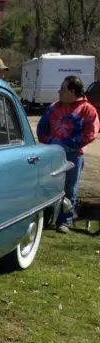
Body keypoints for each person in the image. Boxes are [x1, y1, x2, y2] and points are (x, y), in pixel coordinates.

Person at [37, 75, 100, 233]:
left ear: (73, 91)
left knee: (69, 188)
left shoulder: (87, 110)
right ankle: (46, 217)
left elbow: (91, 133)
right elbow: (41, 129)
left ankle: (64, 220)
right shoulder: (53, 108)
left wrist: (70, 144)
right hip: (52, 154)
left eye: (63, 89)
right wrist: (51, 141)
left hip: (73, 156)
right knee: (48, 185)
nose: (59, 91)